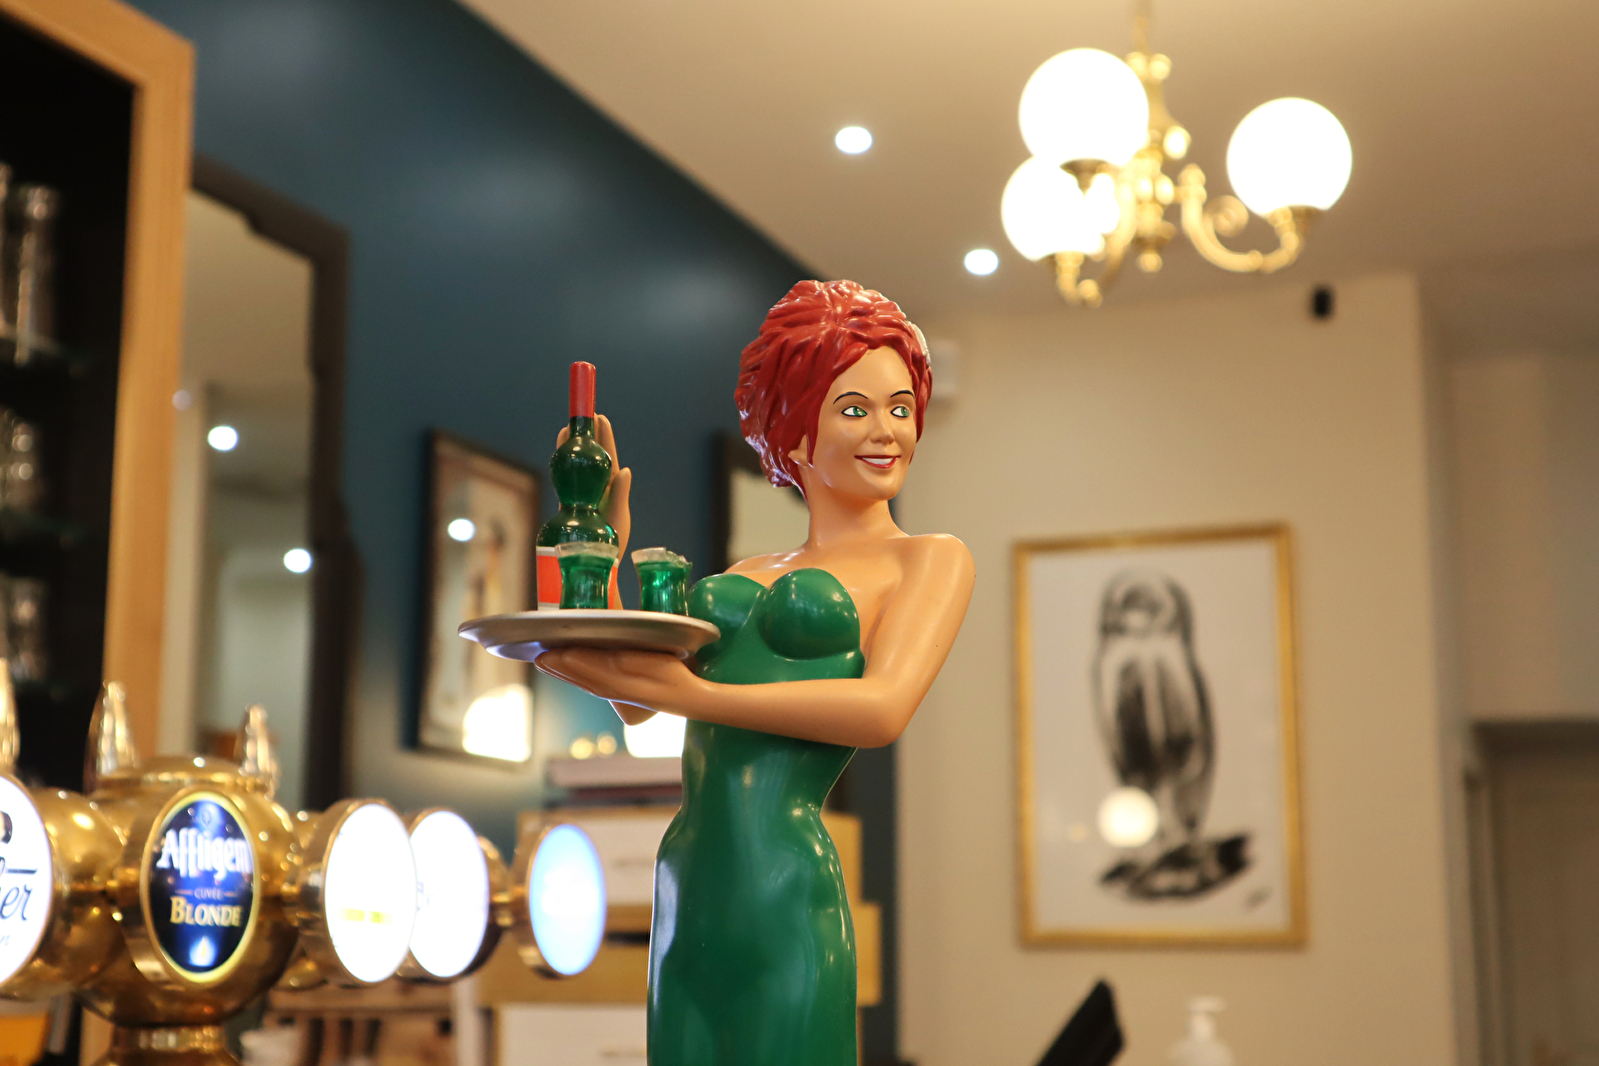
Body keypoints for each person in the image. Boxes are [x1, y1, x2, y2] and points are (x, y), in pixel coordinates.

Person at [536, 279, 974, 1066]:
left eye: (901, 408)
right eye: (854, 409)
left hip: (785, 889)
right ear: (793, 432)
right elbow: (635, 700)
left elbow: (881, 709)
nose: (886, 431)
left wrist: (695, 695)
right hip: (685, 885)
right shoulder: (744, 572)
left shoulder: (927, 560)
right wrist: (601, 559)